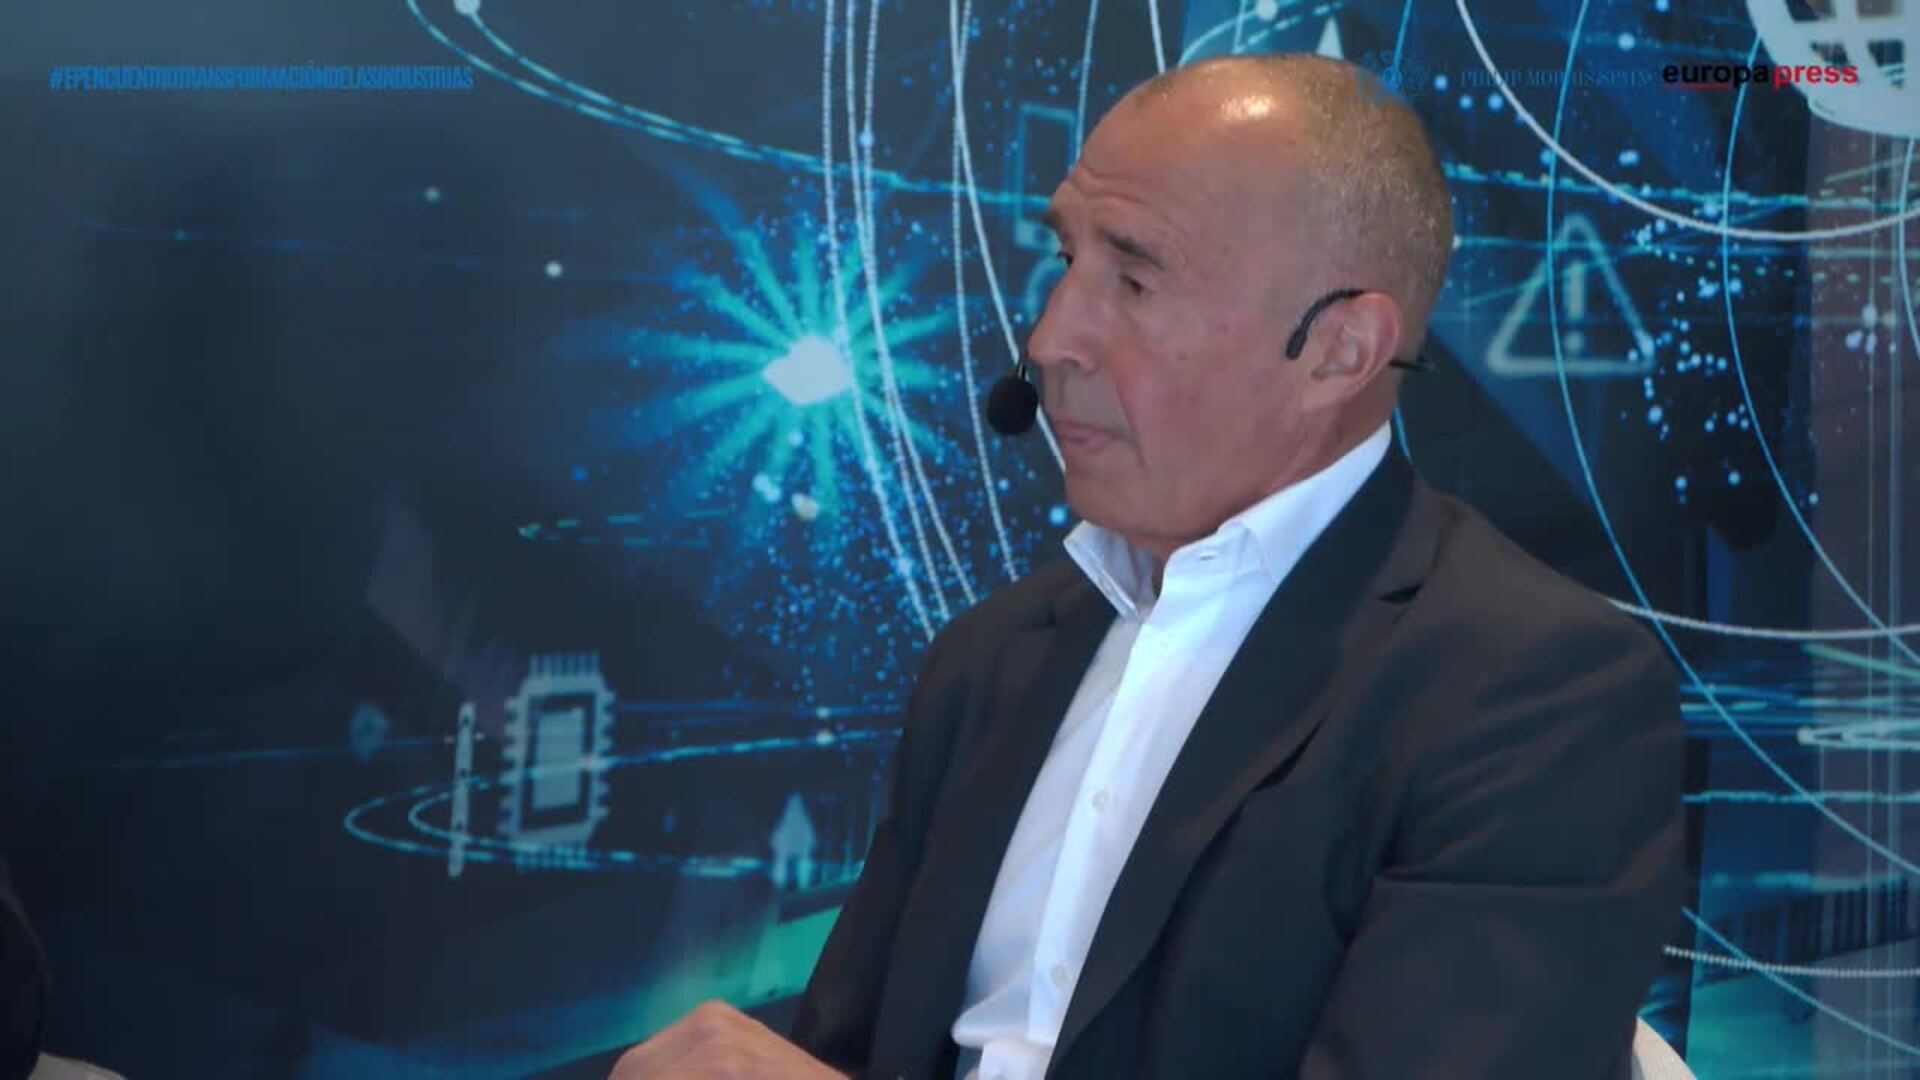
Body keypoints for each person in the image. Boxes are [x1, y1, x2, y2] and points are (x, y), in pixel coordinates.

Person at [610, 53, 1684, 1080]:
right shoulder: (990, 661)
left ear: (1339, 351)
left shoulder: (1534, 695)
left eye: (1133, 279)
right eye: (1066, 263)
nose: (1050, 339)